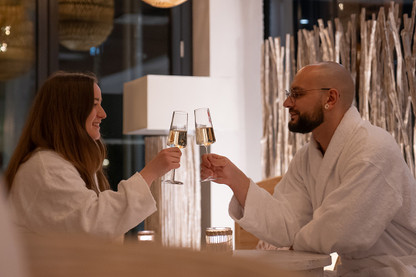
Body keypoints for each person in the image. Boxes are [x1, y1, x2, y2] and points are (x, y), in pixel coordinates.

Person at [201, 61, 416, 276]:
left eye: (297, 94)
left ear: (330, 99)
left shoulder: (373, 148)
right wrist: (235, 179)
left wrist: (297, 242)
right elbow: (285, 224)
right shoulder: (307, 156)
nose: (287, 103)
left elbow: (343, 230)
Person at [4, 71, 182, 241]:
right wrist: (150, 173)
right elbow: (93, 224)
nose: (103, 113)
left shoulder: (65, 163)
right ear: (69, 110)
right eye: (94, 103)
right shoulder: (46, 168)